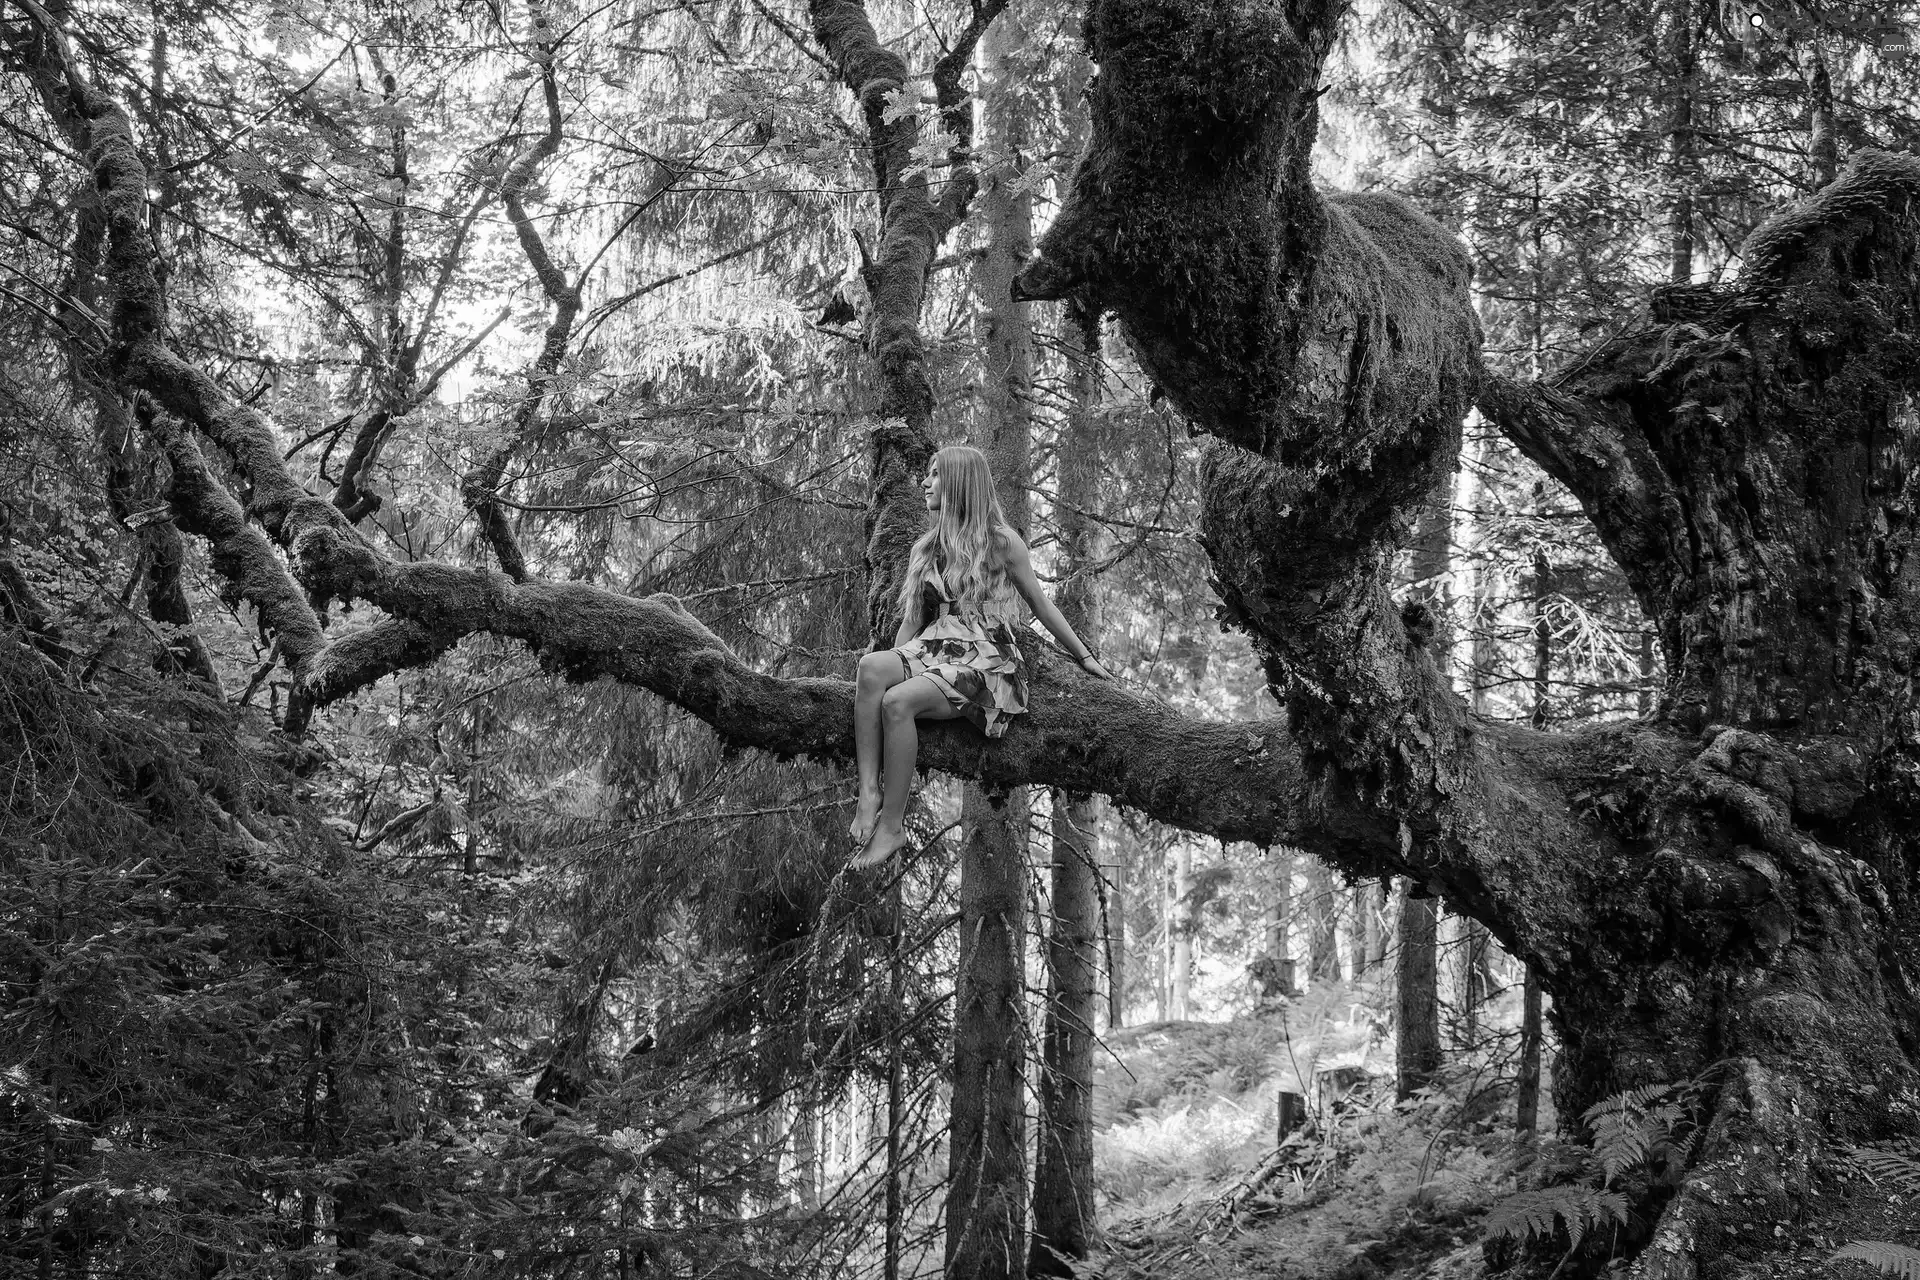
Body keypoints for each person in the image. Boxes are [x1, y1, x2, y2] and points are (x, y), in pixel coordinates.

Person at [849, 445, 1114, 868]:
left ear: (959, 482)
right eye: (927, 474)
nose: (925, 482)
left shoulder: (1002, 543)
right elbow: (912, 621)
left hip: (986, 659)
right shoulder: (926, 549)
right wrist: (894, 663)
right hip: (933, 646)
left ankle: (892, 826)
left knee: (897, 703)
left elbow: (1042, 606)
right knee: (870, 669)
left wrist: (1084, 657)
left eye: (935, 475)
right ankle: (869, 792)